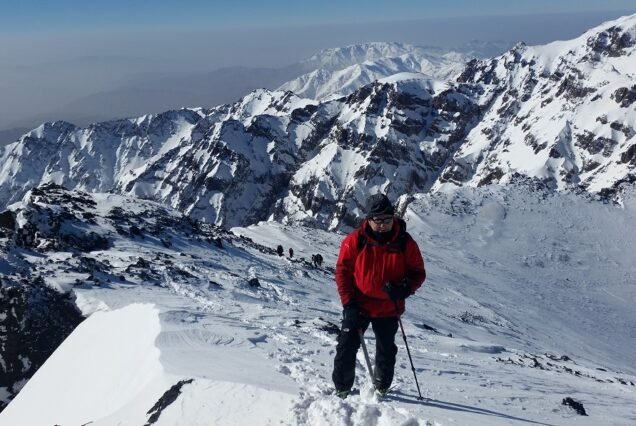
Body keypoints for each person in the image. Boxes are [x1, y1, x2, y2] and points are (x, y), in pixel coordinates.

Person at [332, 193, 426, 398]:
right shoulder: (355, 241)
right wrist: (348, 303)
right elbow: (342, 272)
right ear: (368, 219)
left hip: (388, 307)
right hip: (359, 305)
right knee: (346, 346)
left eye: (387, 219)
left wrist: (405, 288)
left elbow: (418, 273)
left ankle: (382, 387)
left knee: (386, 351)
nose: (383, 225)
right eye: (378, 220)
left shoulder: (405, 242)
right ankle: (342, 389)